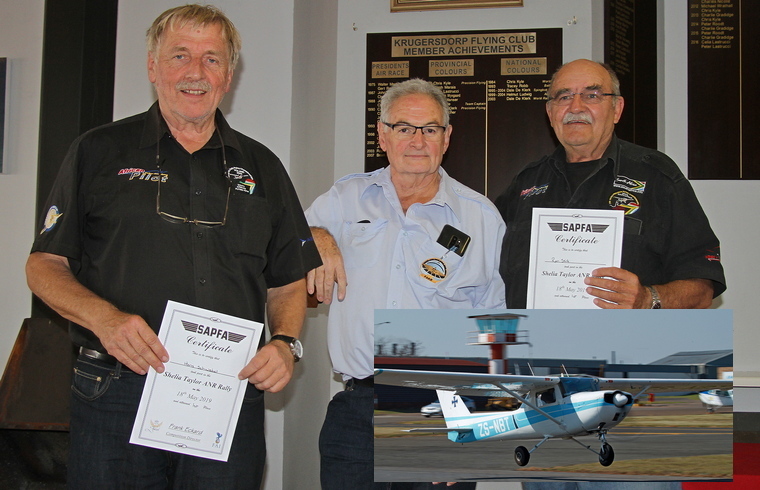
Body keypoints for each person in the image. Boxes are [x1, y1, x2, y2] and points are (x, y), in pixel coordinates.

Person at [25, 5, 320, 488]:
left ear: (229, 75)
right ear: (152, 66)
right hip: (117, 388)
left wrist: (286, 343)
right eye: (180, 55)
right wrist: (105, 319)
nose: (195, 72)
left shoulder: (262, 166)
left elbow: (287, 279)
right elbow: (43, 265)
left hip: (226, 393)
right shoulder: (97, 151)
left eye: (212, 59)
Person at [305, 78, 506, 489]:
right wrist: (318, 236)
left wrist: (475, 420)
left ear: (446, 137)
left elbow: (496, 327)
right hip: (357, 413)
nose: (417, 141)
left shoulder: (480, 217)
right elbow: (285, 240)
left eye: (430, 129)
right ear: (383, 135)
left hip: (441, 408)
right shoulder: (345, 198)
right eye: (403, 128)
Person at [496, 59, 726, 309]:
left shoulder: (658, 178)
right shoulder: (526, 183)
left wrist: (647, 299)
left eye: (592, 95)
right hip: (534, 334)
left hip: (625, 335)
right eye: (564, 97)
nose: (576, 106)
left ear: (617, 109)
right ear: (550, 113)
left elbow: (702, 289)